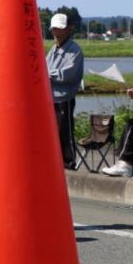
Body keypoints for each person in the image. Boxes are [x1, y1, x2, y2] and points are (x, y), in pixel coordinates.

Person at [47, 12, 84, 169]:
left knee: (65, 132)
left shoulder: (75, 50)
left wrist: (46, 75)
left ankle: (68, 163)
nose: (57, 32)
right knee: (51, 133)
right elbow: (44, 67)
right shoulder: (53, 49)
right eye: (55, 29)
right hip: (50, 98)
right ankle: (55, 164)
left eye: (61, 28)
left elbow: (67, 74)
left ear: (69, 30)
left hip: (64, 99)